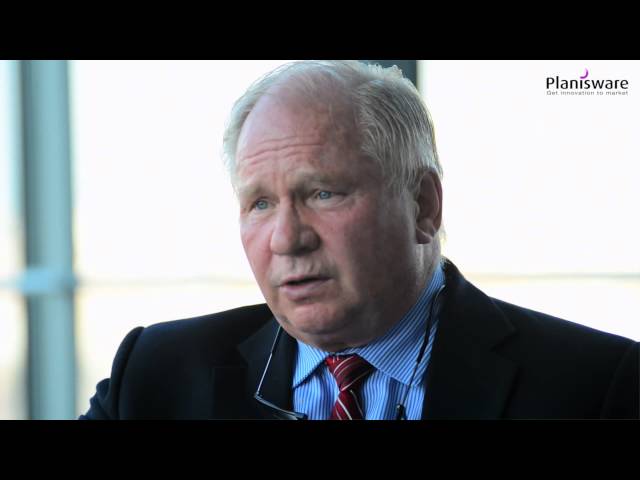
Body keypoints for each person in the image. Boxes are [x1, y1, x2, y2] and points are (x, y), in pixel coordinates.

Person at [80, 60, 639, 420]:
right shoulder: (155, 376)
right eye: (260, 204)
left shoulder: (596, 389)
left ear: (423, 205)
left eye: (323, 193)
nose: (287, 239)